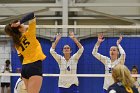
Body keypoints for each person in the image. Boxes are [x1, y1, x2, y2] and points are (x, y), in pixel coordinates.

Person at [4, 12, 46, 93]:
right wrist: (20, 22)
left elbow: (21, 58)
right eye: (22, 25)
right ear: (19, 28)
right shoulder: (30, 34)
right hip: (35, 66)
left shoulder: (17, 43)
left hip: (25, 68)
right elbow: (32, 15)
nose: (24, 25)